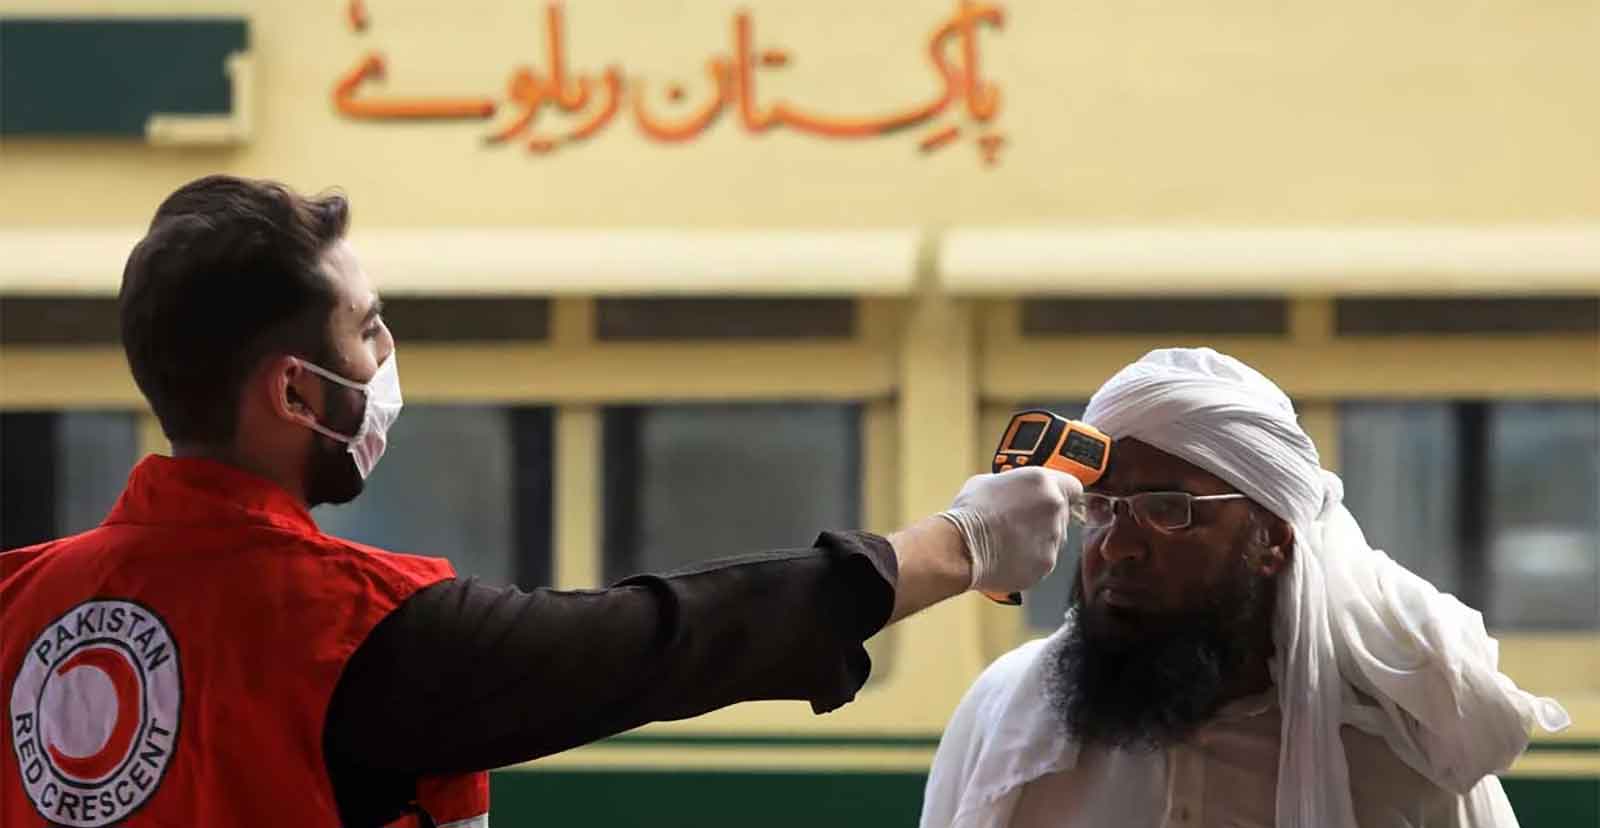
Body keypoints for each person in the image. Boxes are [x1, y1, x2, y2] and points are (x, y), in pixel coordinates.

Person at [0, 175, 1080, 828]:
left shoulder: (16, 602)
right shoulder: (354, 633)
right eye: (367, 330)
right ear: (292, 390)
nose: (386, 358)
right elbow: (662, 641)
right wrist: (962, 544)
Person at [920, 347, 1571, 828]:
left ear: (1273, 538)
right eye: (1102, 509)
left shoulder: (1400, 756)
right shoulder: (1005, 715)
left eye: (1167, 510)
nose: (1116, 546)